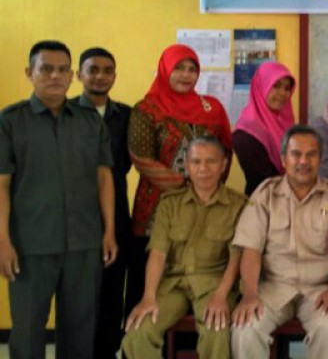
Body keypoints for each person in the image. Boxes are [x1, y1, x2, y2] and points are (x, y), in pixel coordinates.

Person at [0, 40, 117, 358]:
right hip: (30, 245)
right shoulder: (10, 122)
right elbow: (2, 185)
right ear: (30, 73)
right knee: (27, 331)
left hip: (84, 243)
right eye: (46, 69)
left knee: (80, 331)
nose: (55, 76)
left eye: (63, 70)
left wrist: (108, 231)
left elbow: (104, 178)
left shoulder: (90, 121)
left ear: (72, 75)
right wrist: (3, 241)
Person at [127, 44, 232, 324]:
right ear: (165, 70)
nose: (186, 75)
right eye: (179, 68)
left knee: (198, 274)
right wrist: (188, 186)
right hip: (155, 210)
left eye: (192, 69)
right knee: (149, 281)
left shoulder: (211, 108)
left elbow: (225, 150)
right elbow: (141, 159)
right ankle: (141, 340)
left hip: (205, 208)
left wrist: (207, 190)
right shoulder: (146, 109)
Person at [231, 125, 328, 359]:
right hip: (274, 286)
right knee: (245, 328)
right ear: (284, 159)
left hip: (320, 288)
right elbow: (251, 248)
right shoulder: (266, 194)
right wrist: (250, 293)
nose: (303, 161)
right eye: (296, 154)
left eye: (311, 154)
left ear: (320, 159)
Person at [122, 137, 246, 359]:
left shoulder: (238, 205)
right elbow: (158, 254)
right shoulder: (169, 204)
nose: (203, 169)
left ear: (223, 165)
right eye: (196, 162)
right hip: (173, 284)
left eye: (211, 161)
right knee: (139, 332)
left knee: (216, 332)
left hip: (214, 284)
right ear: (187, 165)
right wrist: (148, 296)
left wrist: (221, 296)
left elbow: (237, 258)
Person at [72, 47, 133, 359]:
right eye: (93, 69)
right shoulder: (65, 113)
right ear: (79, 74)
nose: (100, 76)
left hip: (117, 219)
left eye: (108, 70)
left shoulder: (126, 116)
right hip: (75, 219)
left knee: (111, 295)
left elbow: (125, 164)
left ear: (115, 76)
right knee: (77, 298)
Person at [233, 61, 297, 196]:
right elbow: (263, 181)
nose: (282, 93)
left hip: (292, 198)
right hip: (264, 202)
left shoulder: (285, 122)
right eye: (276, 85)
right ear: (261, 86)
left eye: (287, 88)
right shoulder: (246, 133)